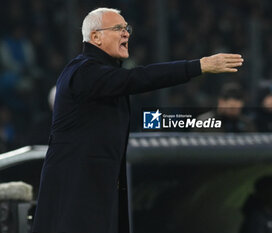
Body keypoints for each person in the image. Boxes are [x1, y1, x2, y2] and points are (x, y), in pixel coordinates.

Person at [32, 7, 244, 233]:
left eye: (127, 29)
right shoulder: (84, 71)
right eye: (118, 29)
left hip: (91, 191)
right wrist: (198, 66)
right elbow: (139, 78)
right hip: (74, 194)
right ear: (95, 37)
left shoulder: (103, 74)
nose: (126, 34)